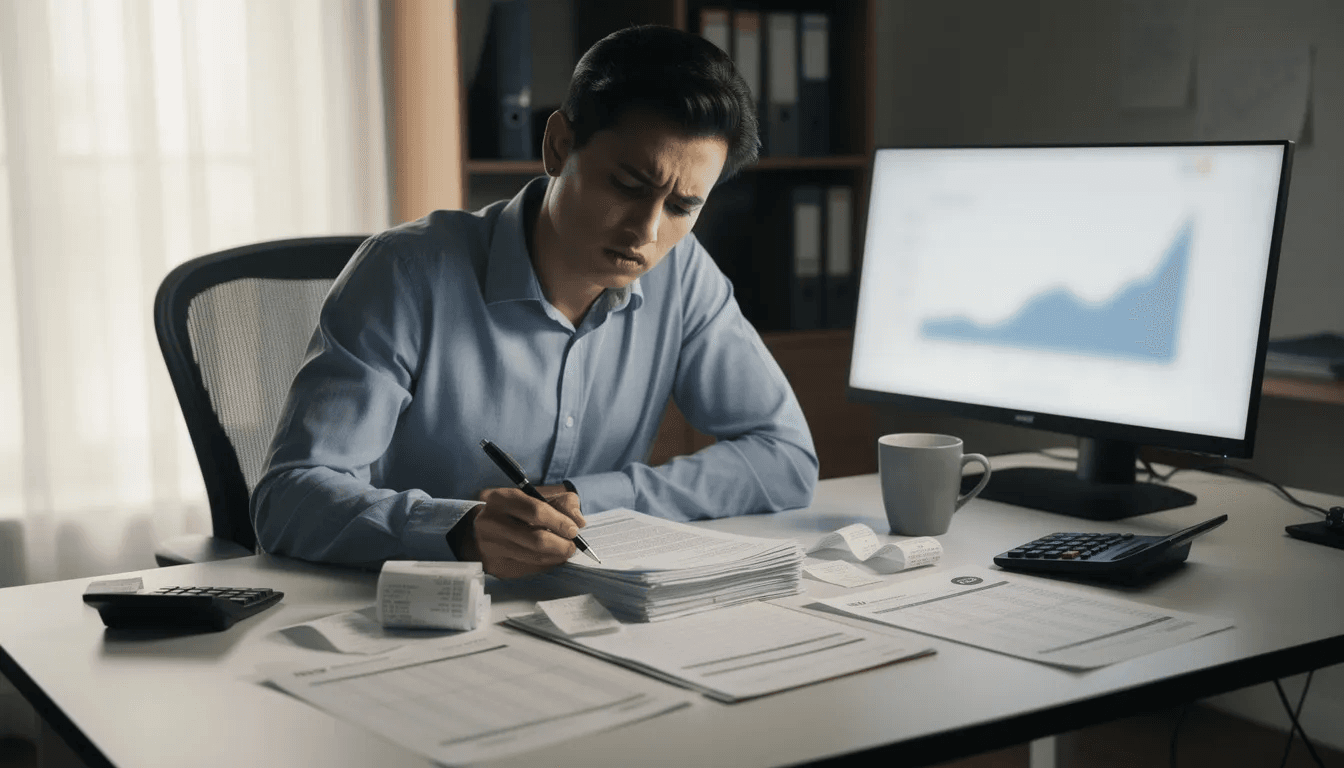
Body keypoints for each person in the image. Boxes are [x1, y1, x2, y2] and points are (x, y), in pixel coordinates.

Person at [251, 24, 818, 578]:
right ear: (558, 145)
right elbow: (289, 496)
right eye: (628, 186)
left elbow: (785, 458)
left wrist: (584, 498)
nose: (647, 232)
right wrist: (457, 529)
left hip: (588, 610)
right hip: (412, 611)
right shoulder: (405, 272)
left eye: (682, 207)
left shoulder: (684, 274)